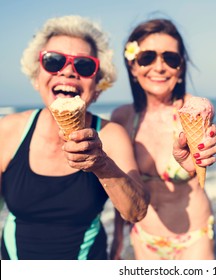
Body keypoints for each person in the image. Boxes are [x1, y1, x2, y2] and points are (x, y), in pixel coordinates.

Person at [0, 15, 150, 260]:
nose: (68, 71)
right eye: (53, 61)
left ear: (98, 85)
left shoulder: (111, 135)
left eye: (84, 65)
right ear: (37, 77)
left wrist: (102, 164)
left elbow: (136, 211)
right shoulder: (8, 130)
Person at [110, 18, 216, 260]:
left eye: (170, 59)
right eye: (147, 57)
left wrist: (203, 153)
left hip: (194, 239)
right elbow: (121, 185)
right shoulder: (122, 117)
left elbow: (204, 147)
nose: (159, 67)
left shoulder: (193, 111)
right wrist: (118, 236)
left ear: (180, 69)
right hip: (144, 238)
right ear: (133, 66)